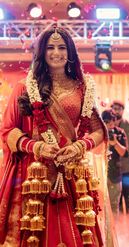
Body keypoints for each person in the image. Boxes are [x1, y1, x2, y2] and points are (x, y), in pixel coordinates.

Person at [0, 26, 108, 247]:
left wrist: (79, 147)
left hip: (70, 171)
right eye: (50, 47)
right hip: (34, 172)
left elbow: (98, 131)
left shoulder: (82, 88)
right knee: (32, 229)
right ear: (41, 52)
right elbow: (8, 129)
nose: (56, 53)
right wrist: (36, 147)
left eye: (62, 47)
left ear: (70, 52)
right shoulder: (25, 87)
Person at [111, 100, 129, 214]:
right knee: (116, 198)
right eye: (114, 108)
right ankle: (118, 228)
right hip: (113, 169)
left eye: (119, 109)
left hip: (128, 168)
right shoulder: (108, 125)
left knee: (128, 194)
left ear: (123, 110)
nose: (116, 111)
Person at [101, 109, 128, 214]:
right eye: (107, 121)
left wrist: (115, 143)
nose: (111, 124)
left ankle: (114, 229)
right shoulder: (100, 132)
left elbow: (124, 153)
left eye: (113, 120)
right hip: (100, 173)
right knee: (100, 204)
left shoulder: (120, 133)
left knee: (114, 204)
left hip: (115, 174)